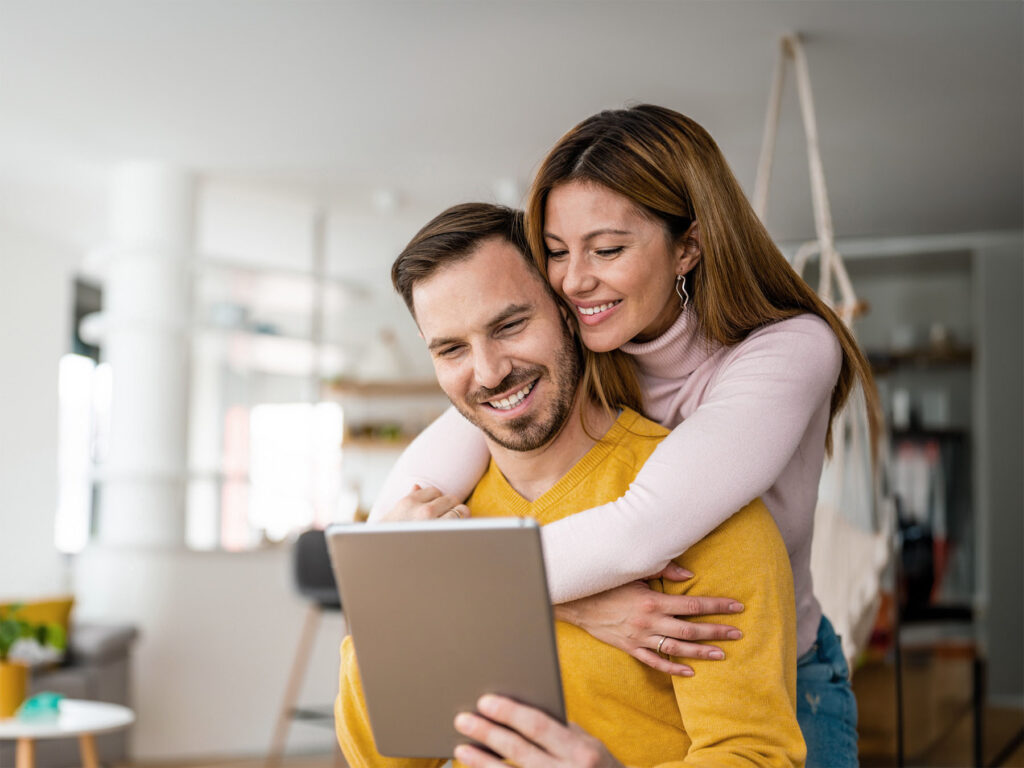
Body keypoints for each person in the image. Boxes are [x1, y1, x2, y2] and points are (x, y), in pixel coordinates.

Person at [368, 105, 879, 767]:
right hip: (634, 659)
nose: (575, 281)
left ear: (688, 246)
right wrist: (576, 610)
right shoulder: (579, 347)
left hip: (775, 673)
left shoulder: (789, 350)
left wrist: (447, 588)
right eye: (555, 252)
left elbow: (642, 530)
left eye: (607, 249)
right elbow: (390, 537)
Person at [335, 203, 805, 768]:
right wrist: (394, 588)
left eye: (510, 326)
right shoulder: (429, 524)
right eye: (451, 349)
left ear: (570, 312)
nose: (487, 373)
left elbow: (754, 756)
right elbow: (378, 759)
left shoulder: (703, 514)